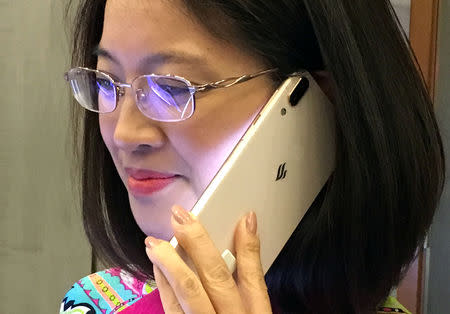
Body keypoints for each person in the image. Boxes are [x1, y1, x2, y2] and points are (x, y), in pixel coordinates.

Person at [59, 0, 445, 313]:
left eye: (171, 88)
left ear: (320, 109)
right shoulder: (94, 302)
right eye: (106, 83)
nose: (124, 133)